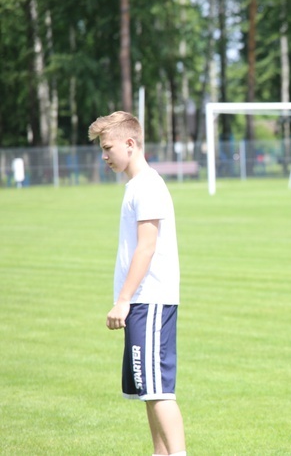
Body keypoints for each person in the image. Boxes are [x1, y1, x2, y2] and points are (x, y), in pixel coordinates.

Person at [88, 111, 186, 456]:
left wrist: (123, 300)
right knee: (148, 391)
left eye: (108, 147)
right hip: (142, 302)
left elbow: (147, 246)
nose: (104, 155)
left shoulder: (147, 186)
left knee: (159, 390)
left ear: (130, 144)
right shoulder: (137, 186)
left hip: (150, 300)